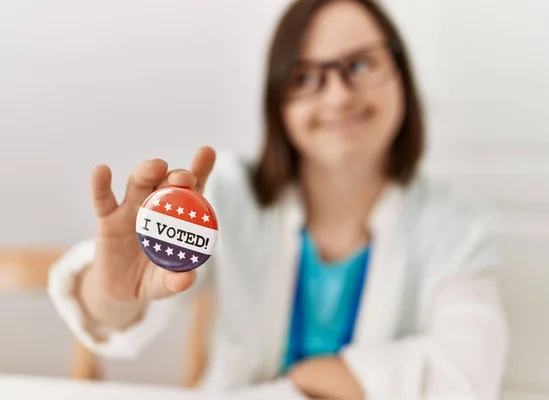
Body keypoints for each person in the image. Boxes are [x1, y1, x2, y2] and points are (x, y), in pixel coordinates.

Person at [47, 0, 509, 398]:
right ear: (277, 103)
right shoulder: (229, 194)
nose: (338, 95)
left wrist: (309, 377)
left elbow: (469, 374)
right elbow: (118, 316)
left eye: (361, 65)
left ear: (401, 76)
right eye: (306, 76)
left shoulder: (454, 225)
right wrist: (111, 293)